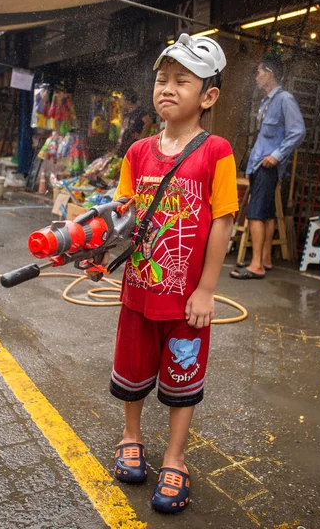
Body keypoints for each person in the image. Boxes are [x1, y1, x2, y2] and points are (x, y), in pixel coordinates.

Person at [104, 33, 238, 513]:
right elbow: (122, 216)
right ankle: (131, 434)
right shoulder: (137, 152)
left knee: (183, 378)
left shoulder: (216, 151)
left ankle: (176, 457)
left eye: (182, 81)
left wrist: (206, 289)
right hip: (138, 292)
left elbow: (222, 221)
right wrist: (99, 248)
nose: (168, 88)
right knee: (134, 371)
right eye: (162, 79)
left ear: (208, 96)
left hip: (186, 302)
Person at [230, 54, 306, 279]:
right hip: (258, 164)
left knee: (254, 214)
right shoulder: (268, 101)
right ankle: (265, 259)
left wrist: (277, 155)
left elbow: (298, 131)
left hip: (267, 166)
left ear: (269, 74)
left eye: (259, 73)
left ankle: (256, 266)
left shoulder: (284, 99)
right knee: (267, 213)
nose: (256, 78)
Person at [116, 89, 153, 158]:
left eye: (122, 99)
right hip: (126, 143)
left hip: (134, 144)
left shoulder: (139, 111)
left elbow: (148, 122)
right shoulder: (127, 112)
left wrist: (141, 137)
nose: (120, 101)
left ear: (128, 101)